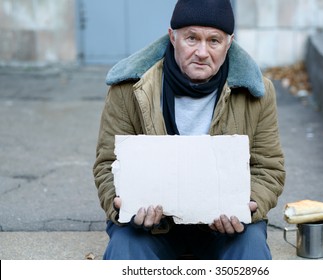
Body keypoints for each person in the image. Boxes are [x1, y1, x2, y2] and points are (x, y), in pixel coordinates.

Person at [93, 0, 285, 260]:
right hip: (153, 225)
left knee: (250, 251)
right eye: (191, 38)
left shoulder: (257, 93)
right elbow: (108, 163)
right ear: (173, 37)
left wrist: (249, 205)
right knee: (126, 252)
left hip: (224, 225)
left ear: (229, 43)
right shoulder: (128, 89)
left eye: (214, 41)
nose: (202, 52)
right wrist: (121, 203)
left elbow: (268, 166)